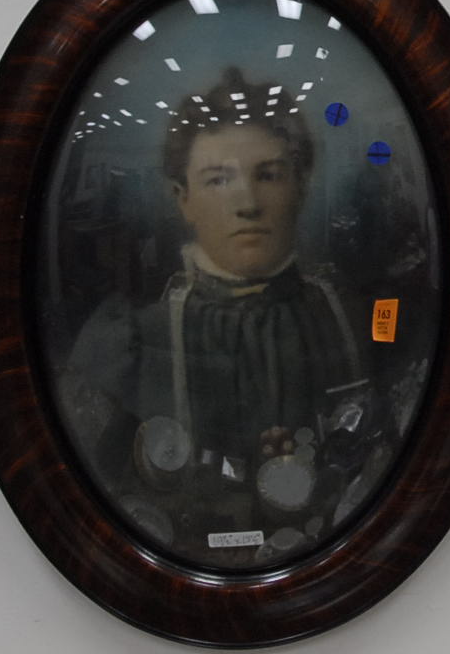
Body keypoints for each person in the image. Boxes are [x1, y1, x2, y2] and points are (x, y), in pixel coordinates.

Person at [57, 68, 381, 566]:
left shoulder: (348, 322)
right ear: (182, 198)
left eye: (268, 174)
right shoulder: (135, 342)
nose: (247, 204)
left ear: (300, 186)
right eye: (218, 179)